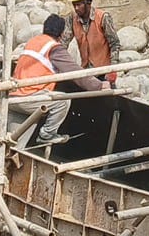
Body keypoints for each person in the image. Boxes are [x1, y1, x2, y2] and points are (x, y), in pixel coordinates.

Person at [10, 14, 91, 145]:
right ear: (62, 33)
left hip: (13, 97)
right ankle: (47, 134)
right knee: (62, 101)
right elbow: (76, 72)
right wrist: (99, 86)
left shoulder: (33, 42)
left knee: (14, 145)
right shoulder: (54, 48)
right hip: (29, 99)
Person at [68, 0, 121, 86]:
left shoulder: (103, 18)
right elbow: (63, 42)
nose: (76, 8)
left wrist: (113, 69)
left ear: (88, 3)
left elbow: (115, 44)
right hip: (86, 73)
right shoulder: (72, 20)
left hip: (103, 72)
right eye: (74, 5)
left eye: (79, 5)